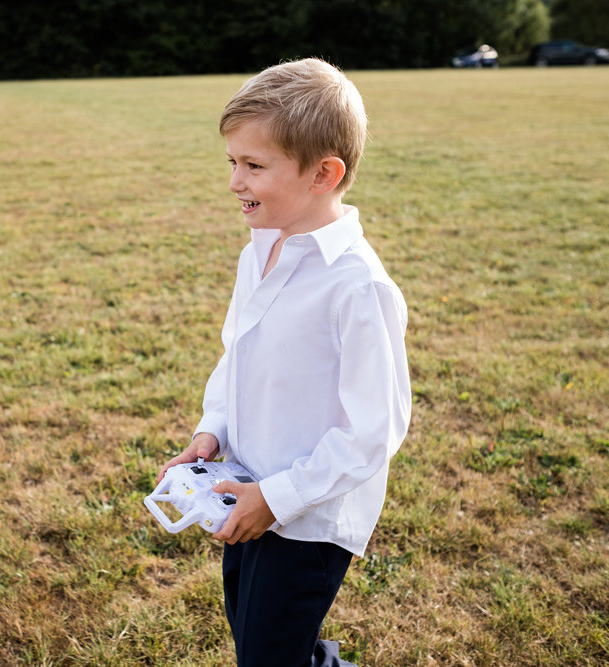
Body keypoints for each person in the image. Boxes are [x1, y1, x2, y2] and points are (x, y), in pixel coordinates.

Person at [157, 58, 412, 667]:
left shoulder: (358, 288)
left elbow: (373, 433)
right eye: (232, 163)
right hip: (245, 486)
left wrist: (278, 498)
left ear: (324, 173)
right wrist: (210, 428)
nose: (234, 182)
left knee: (266, 654)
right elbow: (237, 353)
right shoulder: (262, 248)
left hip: (309, 518)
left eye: (254, 166)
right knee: (255, 633)